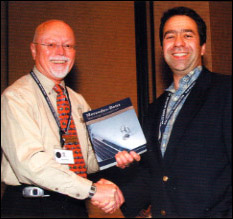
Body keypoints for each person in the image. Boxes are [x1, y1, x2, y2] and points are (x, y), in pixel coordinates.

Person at [1, 19, 140, 218]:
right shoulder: (16, 98)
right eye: (51, 45)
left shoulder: (77, 101)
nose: (61, 52)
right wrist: (92, 190)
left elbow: (86, 160)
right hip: (30, 207)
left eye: (68, 46)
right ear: (33, 50)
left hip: (73, 205)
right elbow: (30, 164)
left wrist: (114, 158)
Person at [110, 6, 232, 218]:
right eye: (170, 36)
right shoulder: (154, 109)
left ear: (202, 46)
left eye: (187, 35)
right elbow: (155, 174)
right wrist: (118, 187)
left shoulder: (225, 91)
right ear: (162, 46)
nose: (178, 43)